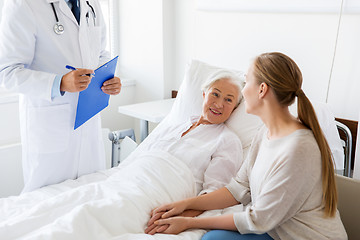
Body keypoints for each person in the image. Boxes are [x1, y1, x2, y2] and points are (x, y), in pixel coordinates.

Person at [0, 73, 245, 239]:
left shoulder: (227, 141)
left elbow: (215, 194)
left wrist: (184, 218)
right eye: (215, 94)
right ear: (203, 95)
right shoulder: (176, 124)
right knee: (59, 203)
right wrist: (110, 178)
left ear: (234, 109)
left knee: (88, 217)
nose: (219, 103)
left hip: (158, 192)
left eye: (228, 100)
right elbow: (141, 155)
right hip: (125, 178)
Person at [148, 52, 348, 240]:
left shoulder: (299, 148)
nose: (243, 90)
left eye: (246, 81)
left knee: (211, 238)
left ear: (262, 90)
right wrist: (183, 205)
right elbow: (238, 189)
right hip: (277, 231)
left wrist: (189, 222)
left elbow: (258, 219)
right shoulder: (265, 133)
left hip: (305, 236)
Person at [0, 0, 121, 193]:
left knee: (91, 196)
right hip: (49, 127)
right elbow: (7, 71)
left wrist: (108, 78)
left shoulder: (91, 4)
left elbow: (100, 53)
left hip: (87, 121)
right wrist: (59, 83)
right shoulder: (23, 4)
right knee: (47, 203)